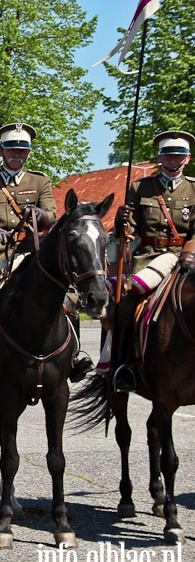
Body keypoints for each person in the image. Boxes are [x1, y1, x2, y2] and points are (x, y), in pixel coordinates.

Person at [0, 122, 80, 382]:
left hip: (31, 254)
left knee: (66, 296)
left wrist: (40, 214)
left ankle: (75, 357)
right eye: (11, 148)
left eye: (22, 150)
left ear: (29, 153)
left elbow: (52, 215)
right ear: (0, 150)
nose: (17, 154)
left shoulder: (40, 180)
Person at [111, 130, 195, 392]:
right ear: (160, 158)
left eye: (178, 155)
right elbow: (130, 230)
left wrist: (190, 252)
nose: (173, 160)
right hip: (149, 258)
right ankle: (122, 365)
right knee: (126, 302)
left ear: (188, 158)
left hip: (188, 259)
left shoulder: (194, 188)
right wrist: (121, 222)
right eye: (168, 155)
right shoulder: (141, 187)